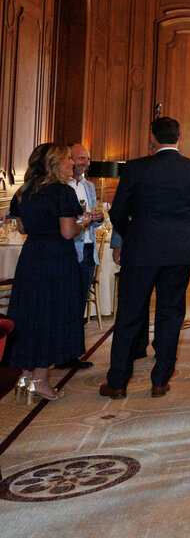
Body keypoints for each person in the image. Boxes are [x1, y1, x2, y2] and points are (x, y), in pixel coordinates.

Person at [102, 117, 190, 400]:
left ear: (152, 138)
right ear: (180, 136)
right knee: (171, 313)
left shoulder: (136, 168)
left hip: (140, 251)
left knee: (129, 313)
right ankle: (160, 380)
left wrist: (133, 233)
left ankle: (117, 382)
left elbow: (116, 212)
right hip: (178, 252)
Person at [8, 143, 101, 402]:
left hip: (31, 258)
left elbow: (24, 228)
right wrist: (84, 222)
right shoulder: (62, 192)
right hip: (57, 260)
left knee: (31, 314)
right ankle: (40, 379)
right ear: (55, 164)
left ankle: (25, 376)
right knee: (52, 315)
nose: (72, 163)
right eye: (68, 159)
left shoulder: (23, 192)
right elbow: (68, 232)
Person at [61, 142, 98, 370]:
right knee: (65, 302)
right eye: (80, 158)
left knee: (79, 304)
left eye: (87, 159)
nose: (84, 163)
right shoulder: (60, 187)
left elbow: (91, 218)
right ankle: (61, 352)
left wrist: (98, 217)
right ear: (69, 159)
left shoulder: (90, 186)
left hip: (87, 249)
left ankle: (73, 353)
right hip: (67, 250)